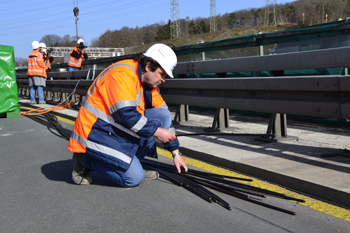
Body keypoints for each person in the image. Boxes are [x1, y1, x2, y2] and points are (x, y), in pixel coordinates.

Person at [67, 43, 188, 187]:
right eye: (162, 74)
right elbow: (125, 115)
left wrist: (176, 153)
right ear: (148, 66)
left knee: (163, 115)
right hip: (96, 132)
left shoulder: (148, 83)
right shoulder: (122, 74)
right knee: (134, 178)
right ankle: (86, 160)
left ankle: (129, 163)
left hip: (112, 128)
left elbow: (164, 117)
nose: (164, 80)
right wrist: (156, 131)